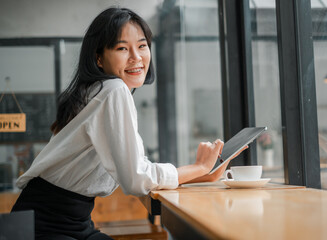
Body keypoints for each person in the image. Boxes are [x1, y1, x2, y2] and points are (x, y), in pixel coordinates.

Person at [11, 7, 247, 239]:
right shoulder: (113, 90)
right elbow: (136, 179)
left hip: (65, 220)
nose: (136, 57)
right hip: (45, 226)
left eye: (142, 46)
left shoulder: (99, 91)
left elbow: (136, 168)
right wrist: (199, 168)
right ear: (99, 58)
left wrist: (204, 175)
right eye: (122, 48)